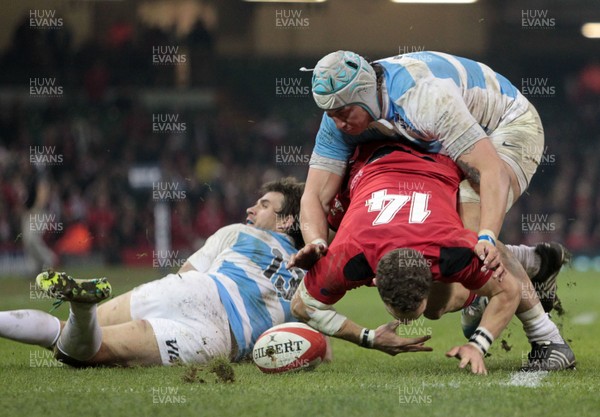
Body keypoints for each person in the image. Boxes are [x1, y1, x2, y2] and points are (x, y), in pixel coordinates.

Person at [296, 50, 568, 312]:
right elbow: (315, 196)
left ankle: (546, 340)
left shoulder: (423, 98)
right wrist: (316, 241)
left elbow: (492, 171)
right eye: (331, 114)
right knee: (437, 303)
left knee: (474, 233)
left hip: (507, 124)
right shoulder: (341, 113)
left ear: (365, 94)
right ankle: (535, 262)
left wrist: (487, 235)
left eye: (344, 113)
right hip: (458, 139)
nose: (339, 123)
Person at [290, 141, 575, 375]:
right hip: (376, 161)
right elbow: (302, 307)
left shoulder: (450, 247)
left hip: (450, 152)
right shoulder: (347, 252)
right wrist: (370, 338)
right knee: (446, 293)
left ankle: (546, 334)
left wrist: (478, 344)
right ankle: (533, 262)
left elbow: (509, 290)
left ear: (374, 281)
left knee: (478, 252)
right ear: (376, 280)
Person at [0, 177, 316, 366]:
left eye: (262, 205)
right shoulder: (309, 280)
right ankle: (83, 312)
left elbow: (189, 270)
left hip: (192, 290)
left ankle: (82, 311)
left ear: (287, 220)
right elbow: (297, 341)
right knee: (88, 351)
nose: (251, 208)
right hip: (215, 339)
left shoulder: (238, 233)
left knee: (65, 334)